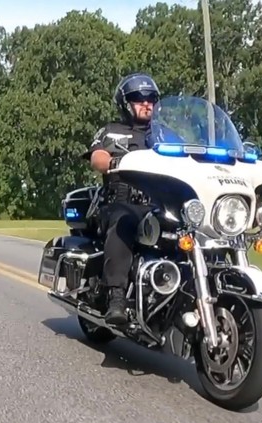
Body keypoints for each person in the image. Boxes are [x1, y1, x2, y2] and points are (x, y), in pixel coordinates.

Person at [81, 73, 161, 325]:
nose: (146, 103)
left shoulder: (165, 135)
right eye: (139, 98)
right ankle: (116, 296)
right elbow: (97, 158)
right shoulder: (111, 131)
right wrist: (114, 161)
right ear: (126, 103)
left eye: (151, 99)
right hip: (120, 202)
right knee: (124, 221)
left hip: (157, 206)